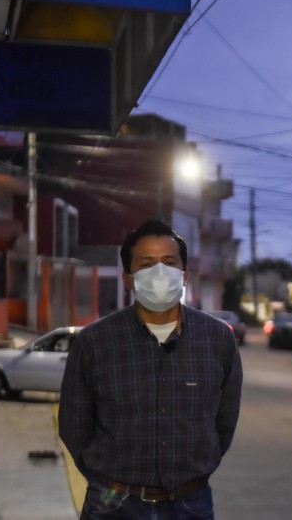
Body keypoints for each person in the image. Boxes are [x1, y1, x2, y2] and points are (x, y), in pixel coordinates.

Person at [59, 219, 243, 519]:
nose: (159, 272)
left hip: (190, 503)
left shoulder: (219, 339)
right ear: (128, 278)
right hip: (112, 502)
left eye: (169, 262)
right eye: (146, 264)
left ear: (184, 274)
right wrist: (111, 480)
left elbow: (223, 425)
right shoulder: (94, 342)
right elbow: (74, 426)